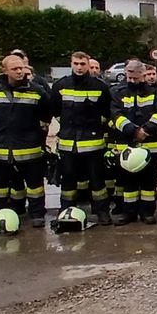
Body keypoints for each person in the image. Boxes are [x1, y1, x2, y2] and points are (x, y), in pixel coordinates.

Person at [0, 54, 53, 228]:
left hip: (30, 148)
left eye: (21, 68)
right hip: (2, 150)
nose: (19, 71)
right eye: (15, 69)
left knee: (35, 186)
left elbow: (46, 116)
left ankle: (37, 214)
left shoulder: (37, 91)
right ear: (5, 70)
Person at [49, 51, 113, 225]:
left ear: (88, 65)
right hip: (68, 143)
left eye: (82, 64)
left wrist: (93, 126)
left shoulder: (100, 87)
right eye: (76, 63)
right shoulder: (60, 86)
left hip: (93, 144)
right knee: (68, 180)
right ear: (71, 64)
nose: (79, 67)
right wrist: (69, 126)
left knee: (97, 181)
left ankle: (102, 212)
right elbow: (55, 110)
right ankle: (66, 211)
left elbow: (107, 112)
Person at [110, 60, 157, 225]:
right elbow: (116, 115)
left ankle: (147, 212)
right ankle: (128, 213)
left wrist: (146, 130)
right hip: (126, 145)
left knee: (149, 182)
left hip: (152, 145)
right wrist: (133, 130)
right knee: (128, 182)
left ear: (143, 75)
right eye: (129, 77)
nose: (132, 81)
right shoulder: (118, 92)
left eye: (135, 78)